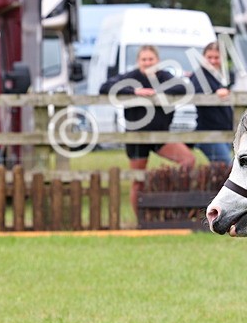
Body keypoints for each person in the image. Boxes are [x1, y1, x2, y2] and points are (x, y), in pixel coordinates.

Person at [100, 44, 195, 211]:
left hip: (161, 135)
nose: (147, 62)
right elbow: (105, 87)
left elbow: (183, 87)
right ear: (138, 61)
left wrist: (157, 91)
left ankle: (170, 195)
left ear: (157, 60)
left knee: (188, 160)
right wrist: (134, 91)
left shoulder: (165, 76)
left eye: (151, 59)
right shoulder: (130, 76)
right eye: (144, 59)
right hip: (136, 136)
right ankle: (139, 221)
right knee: (138, 180)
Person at [189, 41, 234, 165]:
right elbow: (198, 93)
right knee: (227, 167)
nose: (213, 61)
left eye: (216, 57)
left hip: (226, 130)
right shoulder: (199, 75)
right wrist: (216, 93)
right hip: (208, 132)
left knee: (220, 171)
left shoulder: (224, 75)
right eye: (209, 57)